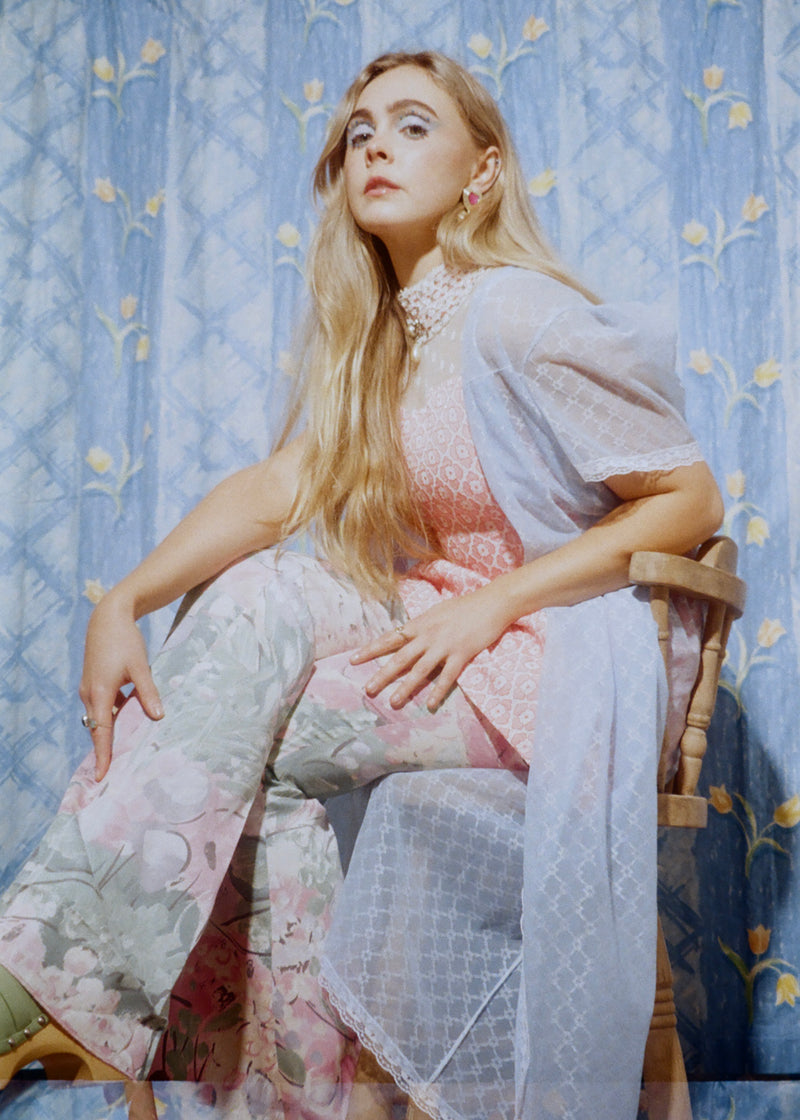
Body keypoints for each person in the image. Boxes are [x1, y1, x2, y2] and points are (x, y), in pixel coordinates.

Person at [0, 49, 722, 1120]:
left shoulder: (518, 311)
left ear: (480, 173)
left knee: (245, 743)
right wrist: (122, 602)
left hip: (552, 654)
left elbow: (687, 499)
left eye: (413, 124)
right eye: (357, 132)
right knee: (251, 601)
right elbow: (273, 493)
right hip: (436, 632)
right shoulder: (371, 344)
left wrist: (497, 602)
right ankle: (125, 1012)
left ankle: (53, 985)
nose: (374, 143)